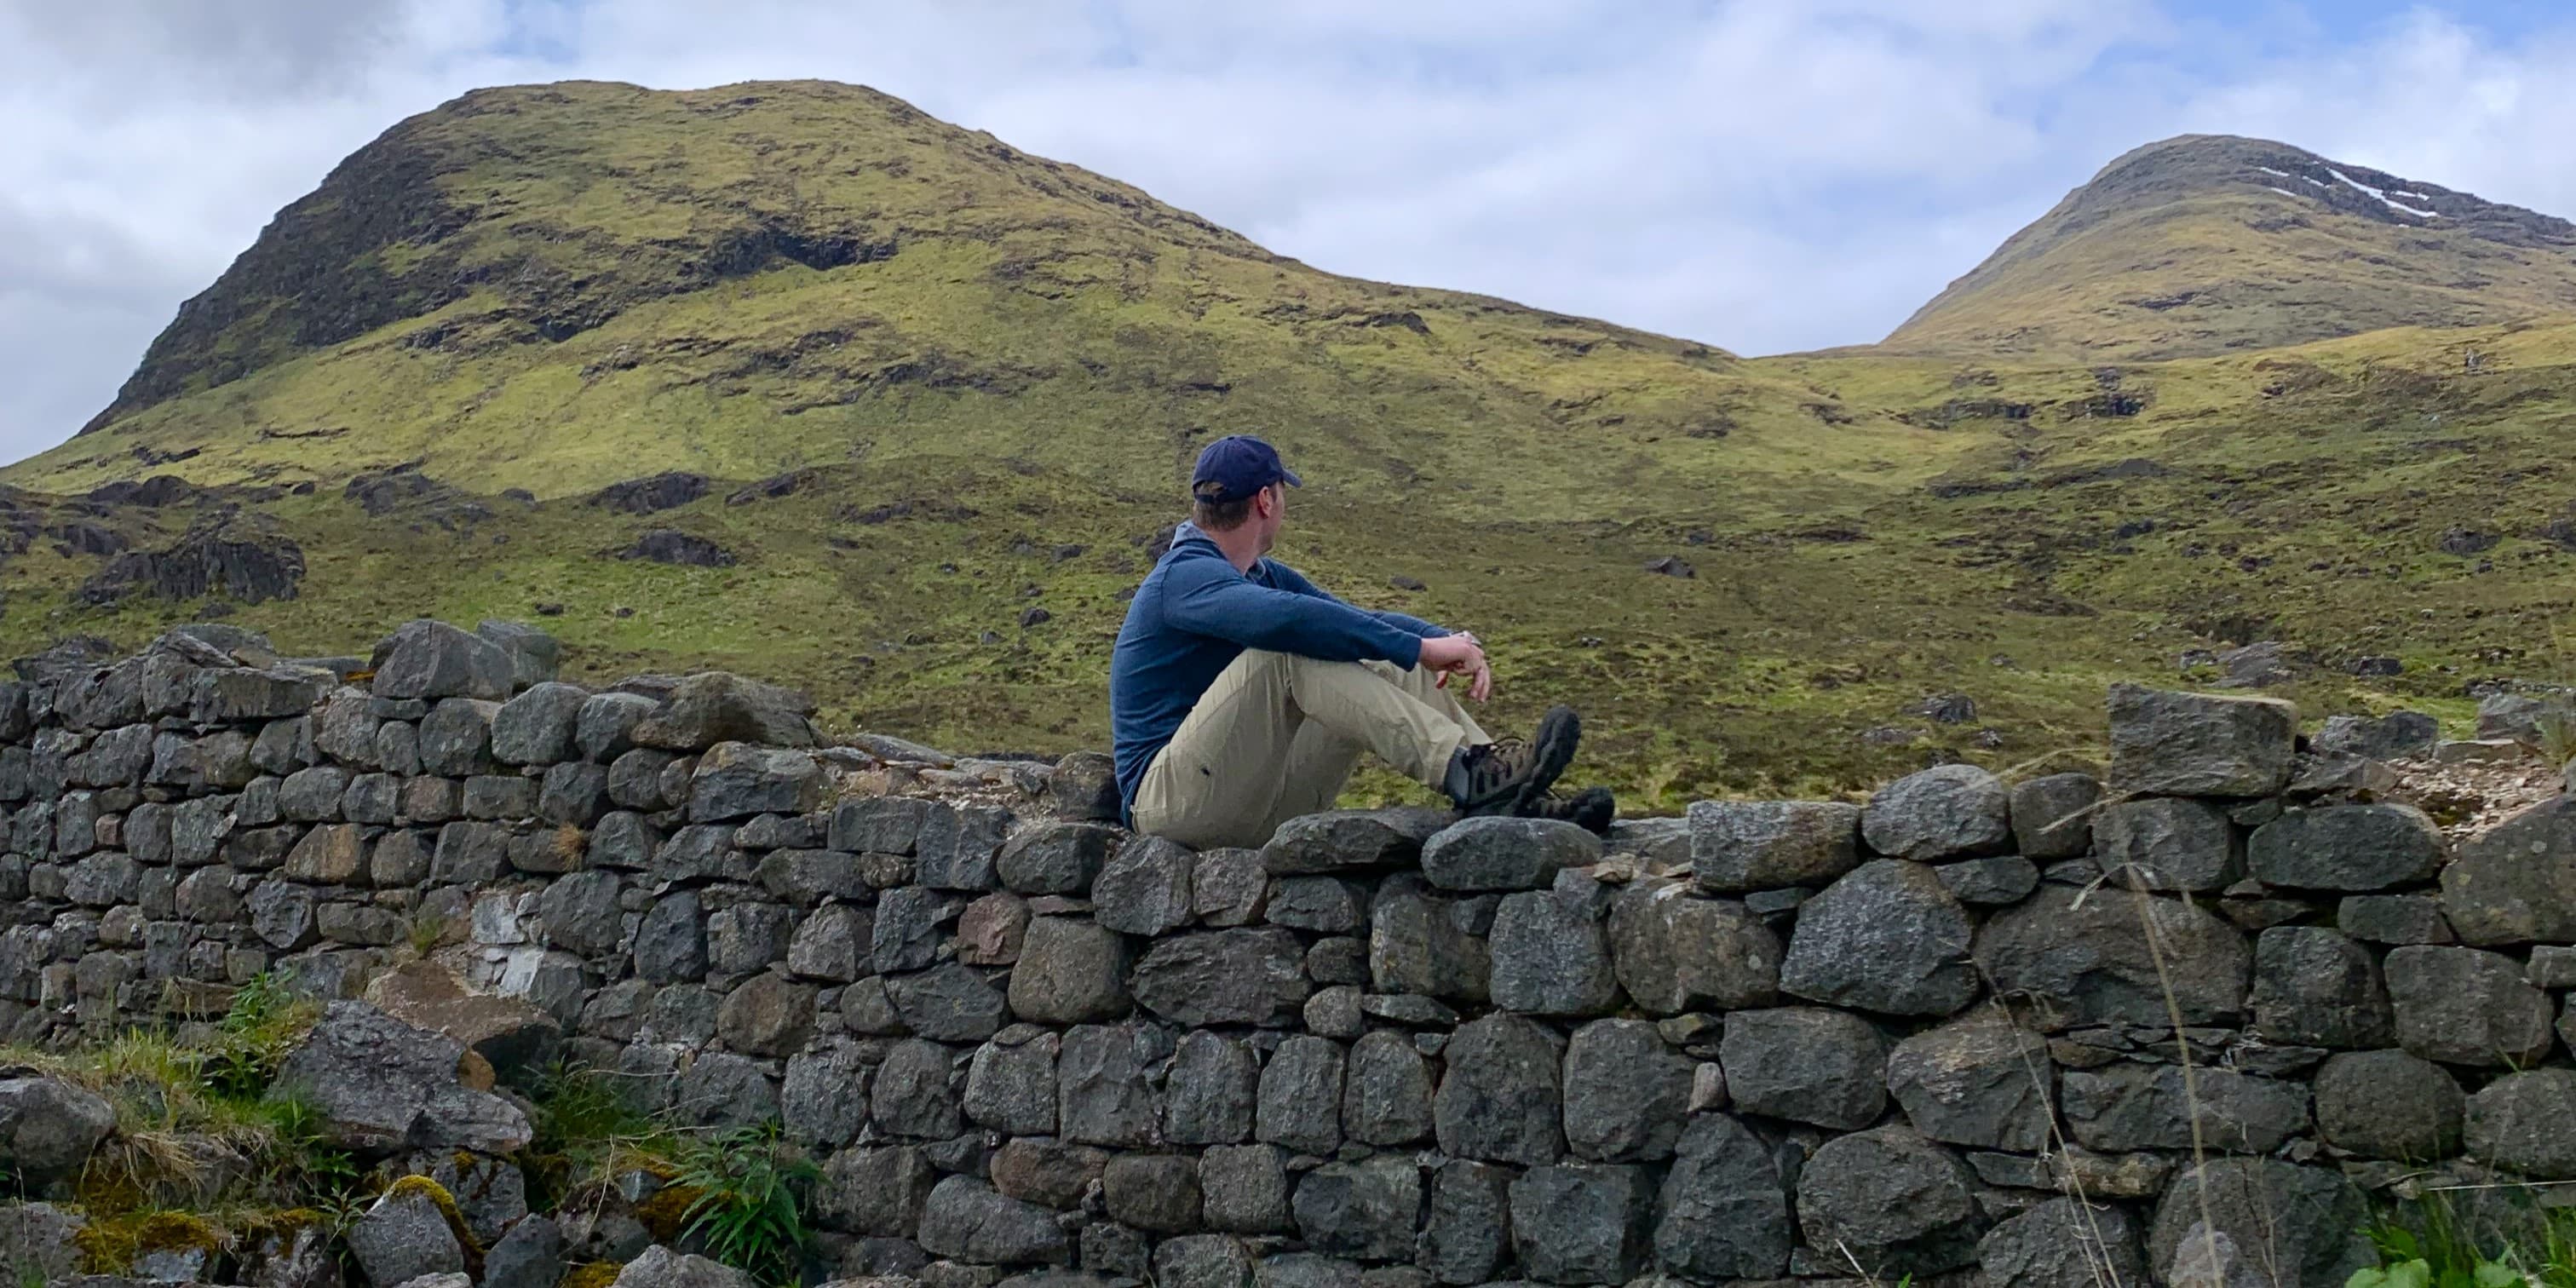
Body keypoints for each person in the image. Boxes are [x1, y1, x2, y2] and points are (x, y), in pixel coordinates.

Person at [1110, 434, 1613, 850]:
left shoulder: (1262, 575)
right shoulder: (1183, 577)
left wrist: (1442, 641)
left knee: (1375, 649)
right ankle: (1463, 772)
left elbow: (1353, 620)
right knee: (1290, 652)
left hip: (1245, 794)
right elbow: (1292, 623)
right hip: (1168, 806)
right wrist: (1421, 649)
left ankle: (1509, 789)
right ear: (1267, 499)